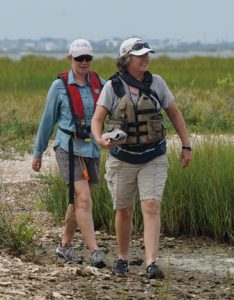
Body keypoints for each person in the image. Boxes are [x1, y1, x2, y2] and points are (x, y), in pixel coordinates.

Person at [91, 37, 192, 278]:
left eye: (148, 54)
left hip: (153, 156)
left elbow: (175, 113)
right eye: (140, 55)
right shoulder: (112, 87)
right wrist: (99, 139)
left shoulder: (157, 83)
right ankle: (123, 259)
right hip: (122, 158)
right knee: (124, 210)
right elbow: (97, 120)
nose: (146, 58)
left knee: (151, 205)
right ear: (126, 60)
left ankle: (151, 263)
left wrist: (186, 146)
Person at [32, 39, 106, 268]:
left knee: (77, 201)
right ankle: (95, 252)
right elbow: (47, 121)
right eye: (79, 58)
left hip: (91, 148)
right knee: (83, 198)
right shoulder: (59, 87)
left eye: (88, 58)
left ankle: (64, 245)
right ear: (70, 59)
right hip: (68, 147)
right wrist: (38, 152)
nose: (84, 62)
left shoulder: (100, 84)